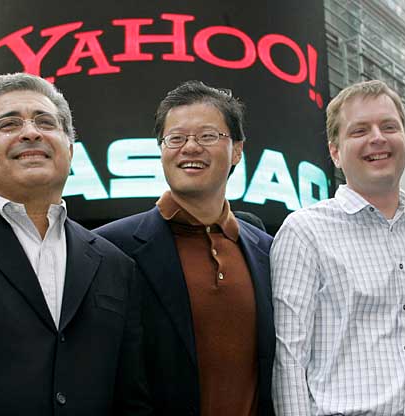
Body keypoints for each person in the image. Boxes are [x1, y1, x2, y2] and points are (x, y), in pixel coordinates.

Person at [0, 73, 151, 415]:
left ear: (70, 151)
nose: (31, 132)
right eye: (9, 124)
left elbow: (131, 397)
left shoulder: (115, 264)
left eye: (46, 122)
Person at [95, 80, 275, 416]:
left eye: (207, 136)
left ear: (237, 150)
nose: (190, 147)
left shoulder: (268, 251)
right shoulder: (109, 248)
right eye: (176, 138)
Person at [271, 79, 405, 415]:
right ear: (335, 152)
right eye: (359, 130)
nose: (377, 138)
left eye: (389, 127)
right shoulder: (304, 232)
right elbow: (290, 360)